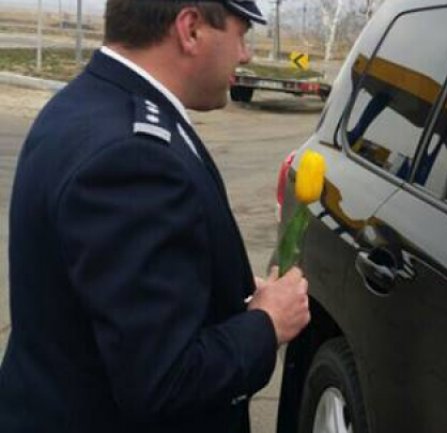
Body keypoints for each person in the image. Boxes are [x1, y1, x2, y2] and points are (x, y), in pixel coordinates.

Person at [0, 1, 310, 432]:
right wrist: (267, 324)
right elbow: (165, 382)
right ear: (191, 29)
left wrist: (221, 294)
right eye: (241, 34)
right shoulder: (134, 156)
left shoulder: (91, 102)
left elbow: (112, 294)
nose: (246, 55)